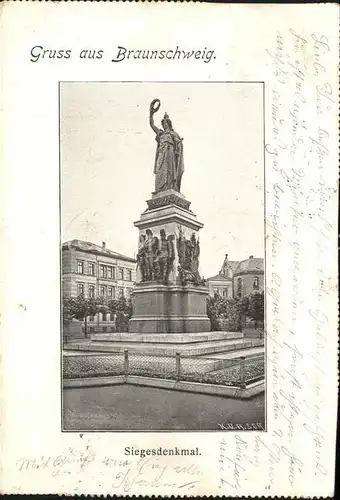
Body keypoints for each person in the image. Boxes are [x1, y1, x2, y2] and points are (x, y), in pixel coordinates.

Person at [149, 99, 184, 193]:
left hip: (170, 152)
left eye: (165, 123)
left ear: (169, 124)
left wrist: (179, 144)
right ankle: (159, 189)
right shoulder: (160, 133)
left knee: (169, 170)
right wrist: (151, 114)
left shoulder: (173, 134)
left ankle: (170, 187)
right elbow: (152, 125)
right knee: (160, 169)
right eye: (163, 123)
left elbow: (178, 144)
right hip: (161, 153)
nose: (164, 125)